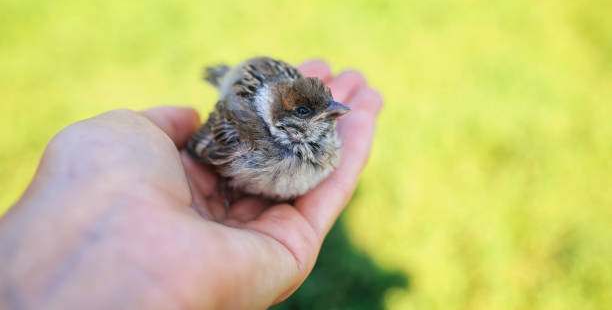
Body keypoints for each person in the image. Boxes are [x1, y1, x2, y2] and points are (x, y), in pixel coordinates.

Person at [0, 60, 382, 309]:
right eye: (307, 113)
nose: (333, 115)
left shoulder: (319, 124)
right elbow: (206, 144)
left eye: (329, 106)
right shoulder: (247, 134)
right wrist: (204, 158)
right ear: (282, 118)